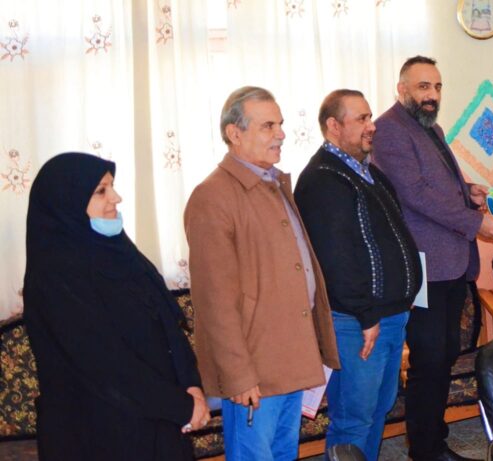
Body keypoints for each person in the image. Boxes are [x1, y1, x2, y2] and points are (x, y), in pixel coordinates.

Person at [184, 86, 340, 461]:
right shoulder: (213, 196)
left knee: (283, 453)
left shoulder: (272, 184)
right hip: (254, 370)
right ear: (234, 134)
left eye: (280, 124)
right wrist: (238, 375)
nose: (281, 134)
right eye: (268, 126)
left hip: (289, 357)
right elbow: (215, 302)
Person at [23, 152, 209, 460]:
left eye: (112, 187)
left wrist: (190, 386)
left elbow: (168, 331)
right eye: (101, 191)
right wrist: (180, 406)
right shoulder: (54, 276)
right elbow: (103, 363)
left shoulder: (121, 253)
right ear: (67, 203)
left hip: (157, 418)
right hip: (98, 433)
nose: (116, 198)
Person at [372, 56, 493, 461]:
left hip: (451, 265)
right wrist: (476, 222)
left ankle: (436, 439)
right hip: (424, 269)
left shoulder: (431, 128)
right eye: (423, 87)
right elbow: (415, 194)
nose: (432, 95)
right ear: (402, 90)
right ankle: (425, 450)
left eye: (437, 86)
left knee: (445, 354)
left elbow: (440, 186)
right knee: (429, 360)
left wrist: (470, 191)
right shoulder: (389, 130)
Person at [294, 89, 422, 461]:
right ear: (333, 126)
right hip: (358, 322)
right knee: (353, 419)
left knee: (377, 409)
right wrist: (366, 315)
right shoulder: (322, 179)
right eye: (361, 119)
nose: (372, 126)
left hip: (388, 317)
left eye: (370, 117)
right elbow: (335, 258)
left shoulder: (366, 171)